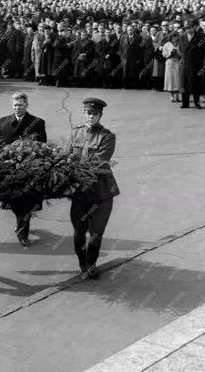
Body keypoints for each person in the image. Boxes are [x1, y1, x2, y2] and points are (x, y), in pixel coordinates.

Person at [70, 97, 120, 279]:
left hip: (102, 193)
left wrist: (73, 166)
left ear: (100, 115)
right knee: (78, 231)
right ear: (84, 113)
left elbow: (98, 161)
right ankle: (82, 262)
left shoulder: (107, 136)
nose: (90, 116)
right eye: (88, 113)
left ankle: (91, 264)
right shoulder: (76, 133)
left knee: (96, 232)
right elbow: (67, 158)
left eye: (94, 114)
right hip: (80, 193)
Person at [0, 92, 47, 247]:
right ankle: (21, 222)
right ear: (12, 105)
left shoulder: (37, 123)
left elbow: (42, 145)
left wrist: (30, 157)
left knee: (27, 202)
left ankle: (22, 232)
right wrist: (6, 156)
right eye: (15, 105)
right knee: (14, 201)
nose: (17, 108)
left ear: (27, 105)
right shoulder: (3, 122)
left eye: (21, 105)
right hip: (10, 168)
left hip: (29, 169)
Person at [179, 19, 205, 109]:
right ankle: (185, 103)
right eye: (186, 28)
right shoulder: (182, 37)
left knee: (196, 84)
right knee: (184, 84)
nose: (188, 29)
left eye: (190, 27)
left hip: (196, 64)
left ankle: (197, 102)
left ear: (194, 27)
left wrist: (199, 59)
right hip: (185, 64)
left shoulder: (201, 36)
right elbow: (181, 48)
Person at [162, 32, 181, 102]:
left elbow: (182, 53)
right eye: (175, 37)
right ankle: (172, 96)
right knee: (170, 80)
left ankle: (178, 96)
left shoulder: (180, 44)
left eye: (177, 37)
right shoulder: (167, 44)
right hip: (169, 63)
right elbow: (164, 54)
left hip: (177, 62)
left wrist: (178, 53)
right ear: (172, 37)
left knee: (178, 79)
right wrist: (170, 53)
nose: (177, 38)